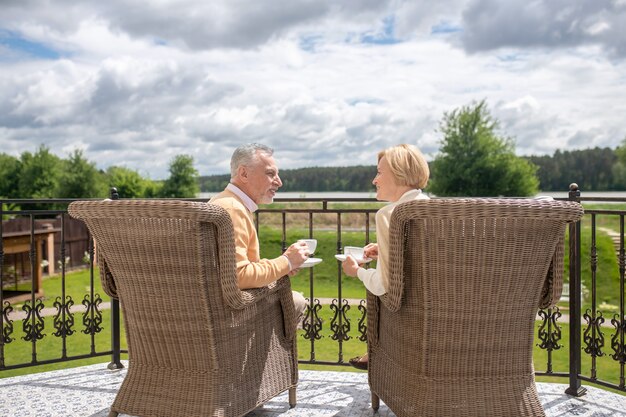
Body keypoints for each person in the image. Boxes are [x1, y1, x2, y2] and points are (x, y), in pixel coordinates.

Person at [342, 144, 430, 370]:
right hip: (440, 311)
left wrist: (358, 272)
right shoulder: (434, 208)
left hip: (409, 315)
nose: (374, 180)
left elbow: (383, 285)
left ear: (400, 174)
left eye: (380, 173)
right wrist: (386, 250)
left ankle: (376, 353)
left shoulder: (391, 215)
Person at [210, 143, 308, 319]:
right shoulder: (233, 210)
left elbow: (228, 266)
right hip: (232, 314)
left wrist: (283, 266)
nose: (279, 181)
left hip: (215, 306)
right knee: (297, 302)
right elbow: (238, 276)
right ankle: (275, 347)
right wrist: (286, 262)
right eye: (271, 174)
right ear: (244, 173)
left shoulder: (221, 201)